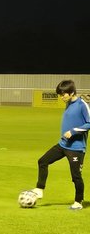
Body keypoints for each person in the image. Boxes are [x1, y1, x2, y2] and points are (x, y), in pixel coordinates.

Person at [30, 80, 90, 210]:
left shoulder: (82, 105)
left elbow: (89, 123)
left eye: (64, 95)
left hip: (76, 149)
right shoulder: (68, 103)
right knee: (42, 161)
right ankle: (40, 189)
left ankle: (78, 202)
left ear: (72, 92)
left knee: (76, 176)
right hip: (62, 145)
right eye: (60, 95)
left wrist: (73, 131)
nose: (62, 97)